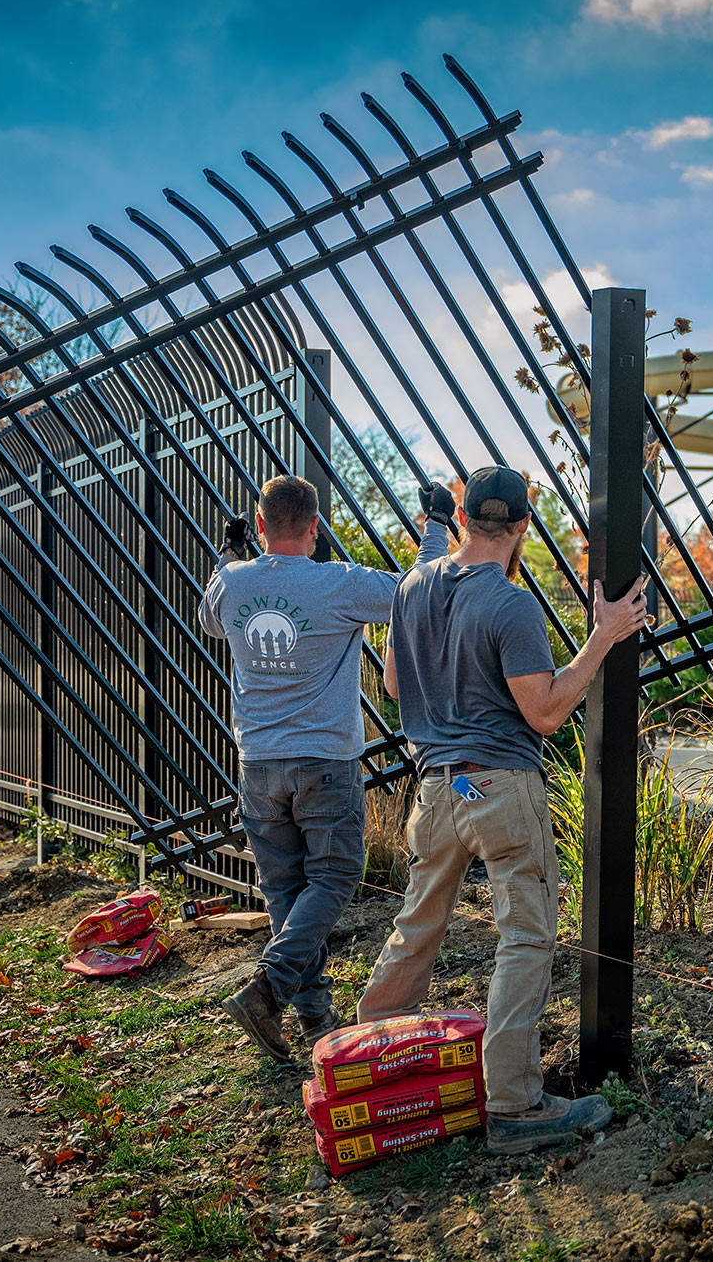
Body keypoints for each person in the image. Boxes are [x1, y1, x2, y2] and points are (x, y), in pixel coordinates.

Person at [357, 465, 648, 1155]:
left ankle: (370, 1051)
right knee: (525, 937)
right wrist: (603, 635)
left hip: (436, 792)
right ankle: (515, 1105)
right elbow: (545, 712)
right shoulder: (512, 605)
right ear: (521, 528)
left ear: (460, 518)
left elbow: (396, 685)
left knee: (418, 923)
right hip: (499, 788)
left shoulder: (410, 587)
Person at [199, 474, 452, 1061]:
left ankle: (313, 1014)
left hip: (258, 765)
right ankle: (267, 988)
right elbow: (420, 595)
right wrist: (436, 526)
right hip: (325, 763)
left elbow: (213, 617)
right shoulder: (339, 583)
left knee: (285, 889)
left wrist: (229, 555)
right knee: (335, 878)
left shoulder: (232, 584)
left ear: (261, 527)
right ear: (315, 527)